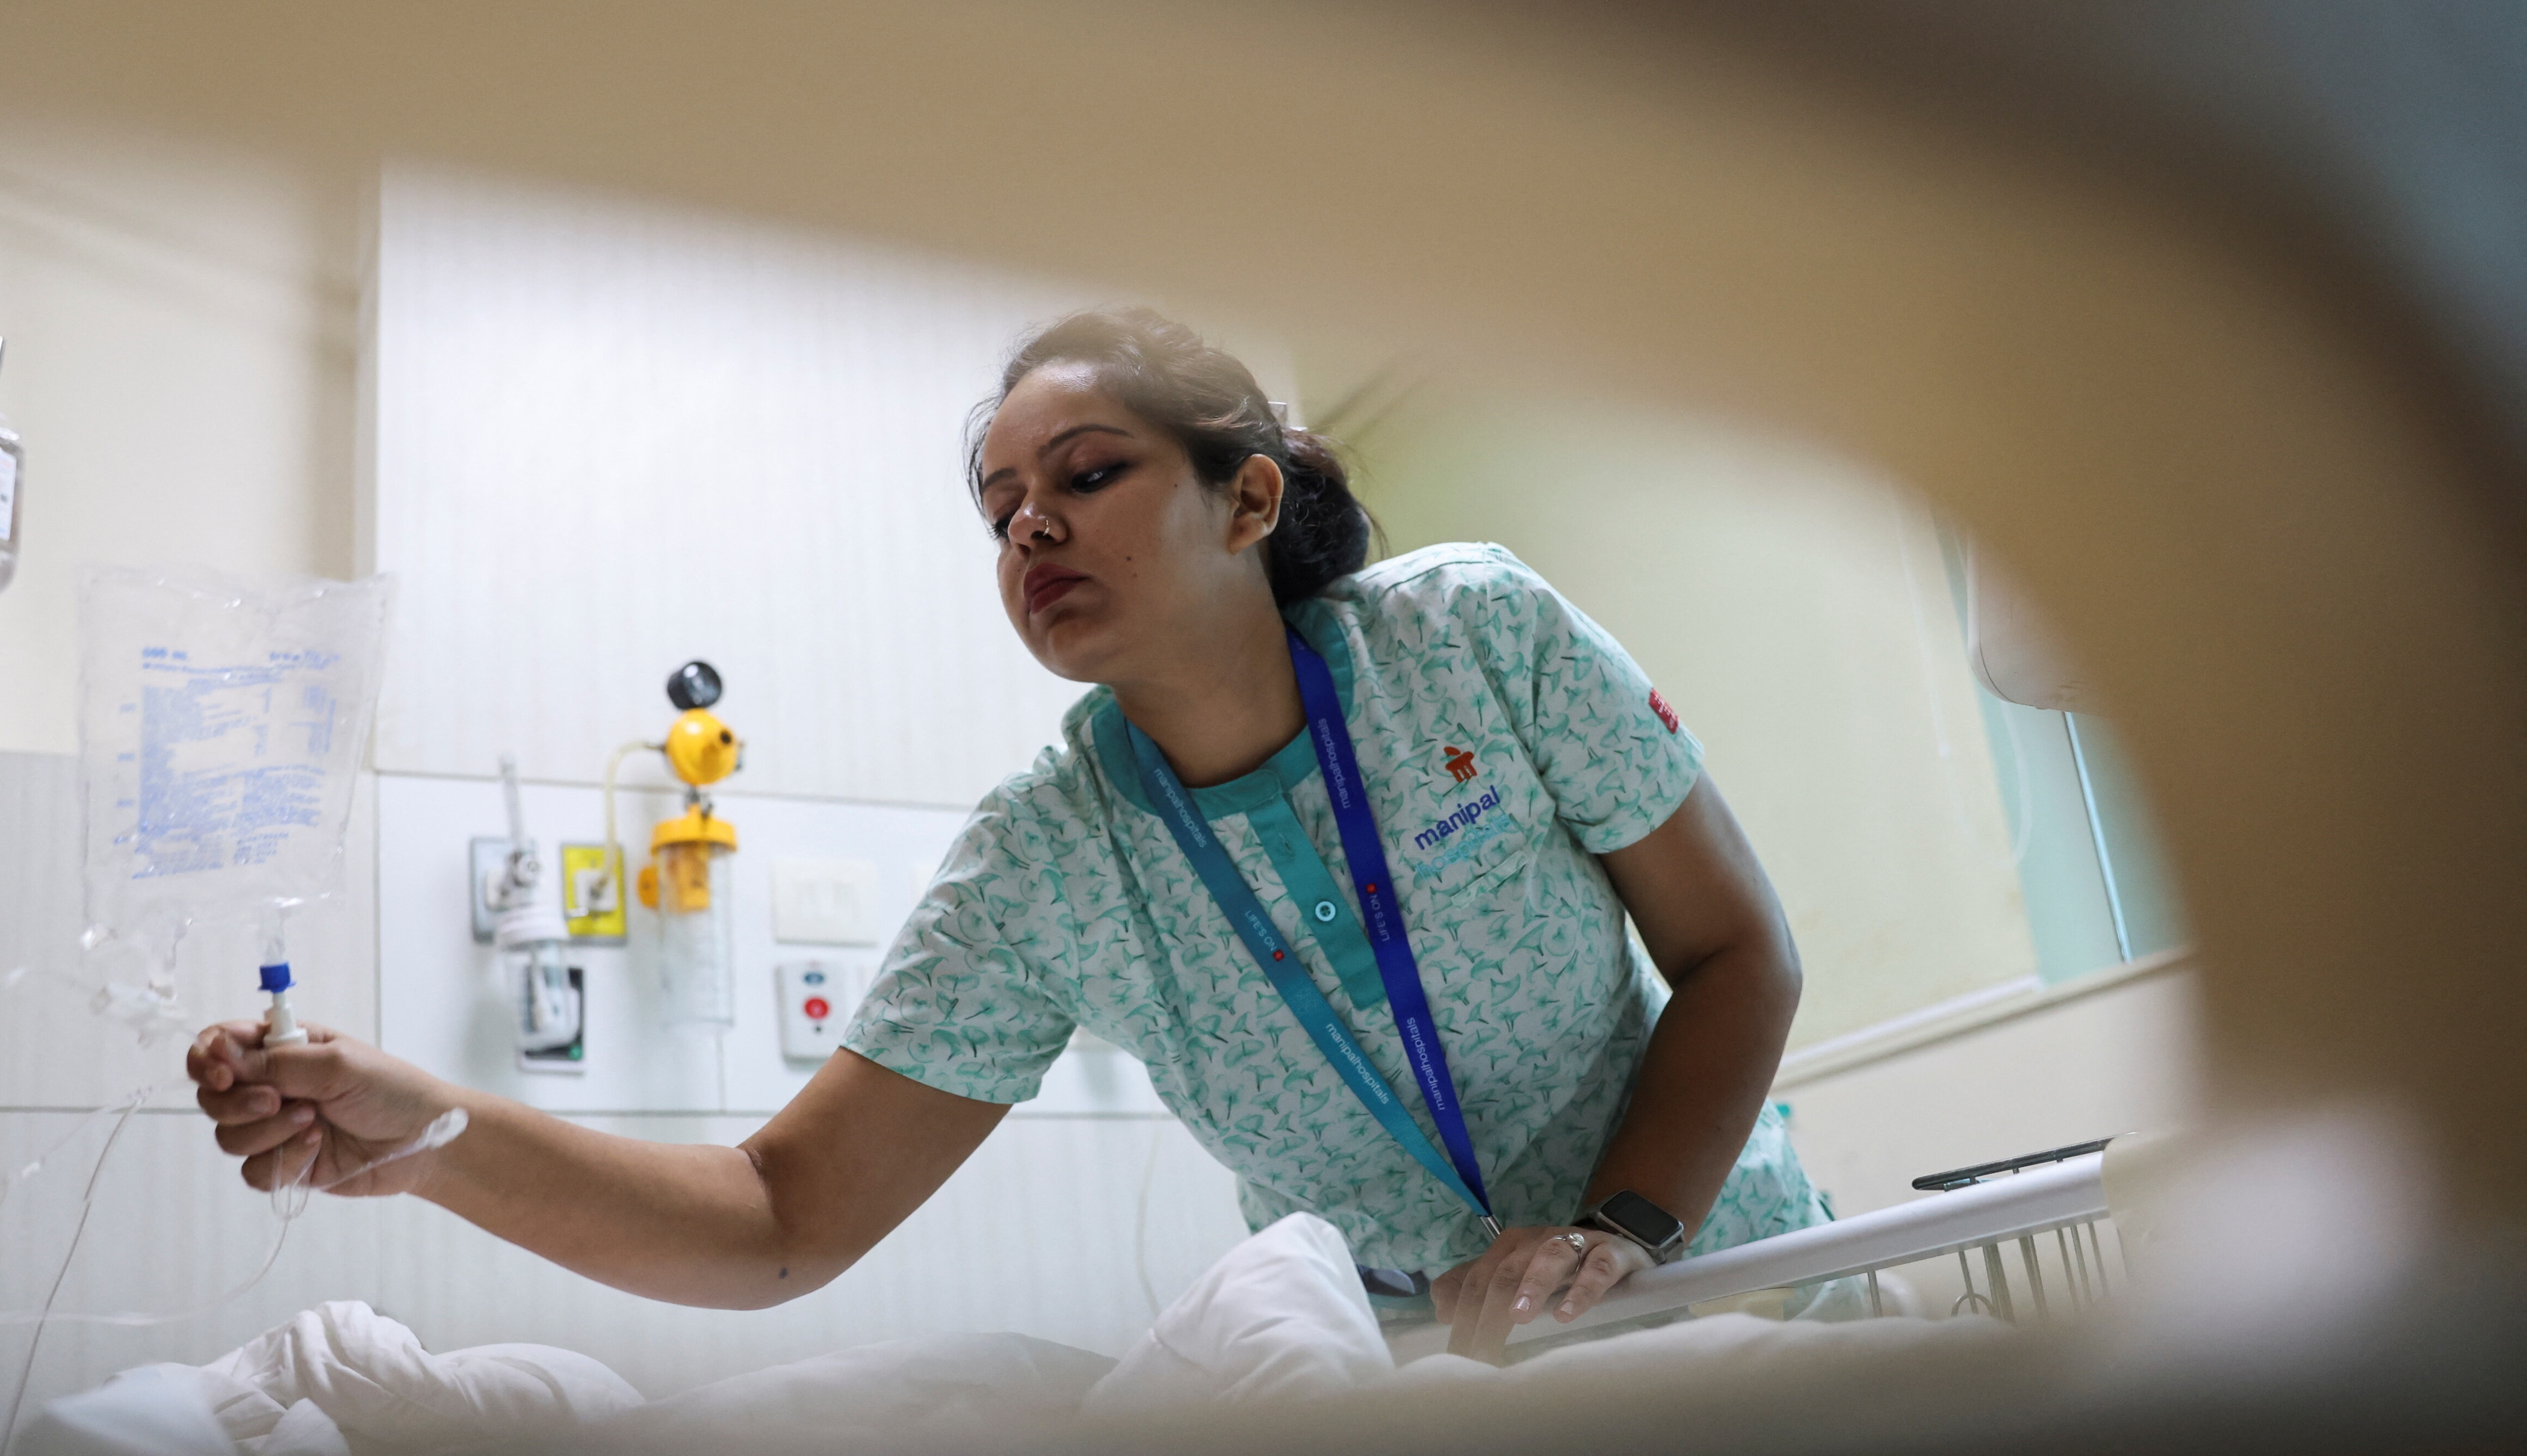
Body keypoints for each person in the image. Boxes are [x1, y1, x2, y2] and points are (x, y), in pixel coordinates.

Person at [188, 308, 1828, 1359]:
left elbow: (1737, 954)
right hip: (1442, 1376)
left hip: (1712, 1283)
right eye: (998, 508)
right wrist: (431, 1134)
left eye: (1088, 473)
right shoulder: (1047, 862)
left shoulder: (1472, 639)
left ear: (1247, 501)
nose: (1028, 522)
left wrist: (1619, 1238)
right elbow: (779, 1220)